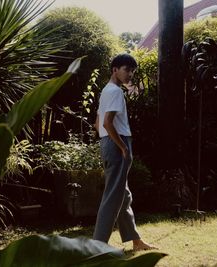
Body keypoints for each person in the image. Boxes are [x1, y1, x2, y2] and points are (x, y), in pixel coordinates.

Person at [93, 53, 156, 251]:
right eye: (127, 70)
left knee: (123, 195)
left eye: (132, 71)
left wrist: (107, 143)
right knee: (113, 196)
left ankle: (136, 240)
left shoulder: (106, 91)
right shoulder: (115, 92)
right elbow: (106, 123)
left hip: (109, 143)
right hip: (117, 144)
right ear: (115, 70)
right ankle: (97, 247)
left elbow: (97, 124)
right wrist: (122, 147)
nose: (130, 74)